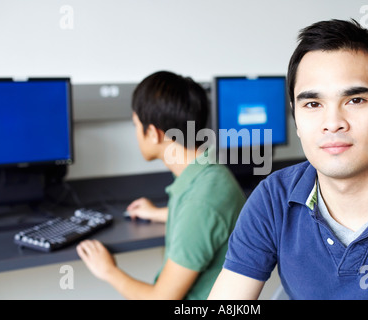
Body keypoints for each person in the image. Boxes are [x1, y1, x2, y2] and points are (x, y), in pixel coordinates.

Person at [208, 19, 368, 300]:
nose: (332, 123)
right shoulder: (273, 198)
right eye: (313, 104)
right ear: (296, 117)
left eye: (355, 100)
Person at [77, 71, 246, 300]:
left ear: (154, 133)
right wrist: (158, 213)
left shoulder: (201, 201)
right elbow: (207, 221)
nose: (136, 132)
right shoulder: (208, 174)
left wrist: (108, 271)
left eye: (136, 124)